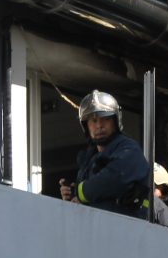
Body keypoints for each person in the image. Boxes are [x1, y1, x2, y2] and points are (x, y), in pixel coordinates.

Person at [59, 90, 149, 218]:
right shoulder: (88, 161)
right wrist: (71, 196)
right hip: (97, 226)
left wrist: (80, 191)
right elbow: (88, 199)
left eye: (106, 119)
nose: (99, 126)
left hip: (127, 226)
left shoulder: (130, 149)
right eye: (94, 120)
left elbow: (115, 178)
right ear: (86, 125)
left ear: (116, 121)